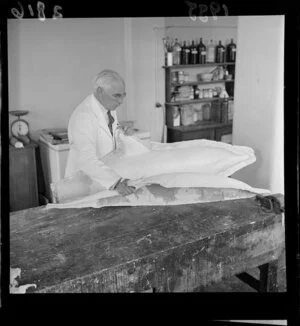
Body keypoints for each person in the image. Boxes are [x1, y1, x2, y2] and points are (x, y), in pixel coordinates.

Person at [65, 69, 136, 196]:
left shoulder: (109, 108)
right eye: (117, 96)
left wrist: (120, 134)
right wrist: (116, 182)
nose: (121, 101)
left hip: (103, 180)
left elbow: (106, 138)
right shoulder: (84, 116)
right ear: (99, 91)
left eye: (123, 95)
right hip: (83, 184)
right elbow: (86, 160)